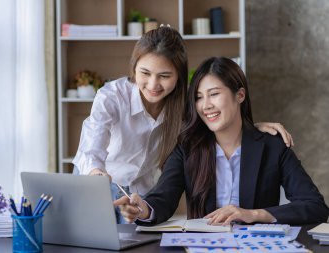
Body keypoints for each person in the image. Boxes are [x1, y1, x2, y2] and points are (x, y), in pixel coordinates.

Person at [73, 27, 293, 223]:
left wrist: (251, 129)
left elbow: (215, 119)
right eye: (145, 73)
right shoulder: (112, 96)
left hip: (141, 194)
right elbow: (91, 145)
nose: (153, 85)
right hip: (100, 184)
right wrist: (95, 172)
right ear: (134, 68)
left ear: (178, 75)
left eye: (164, 76)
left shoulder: (186, 102)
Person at [114, 57, 329, 225]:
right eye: (198, 97)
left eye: (214, 94)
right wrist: (144, 209)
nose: (205, 105)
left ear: (240, 95)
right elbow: (163, 198)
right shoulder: (187, 148)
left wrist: (253, 214)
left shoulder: (273, 146)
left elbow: (315, 207)